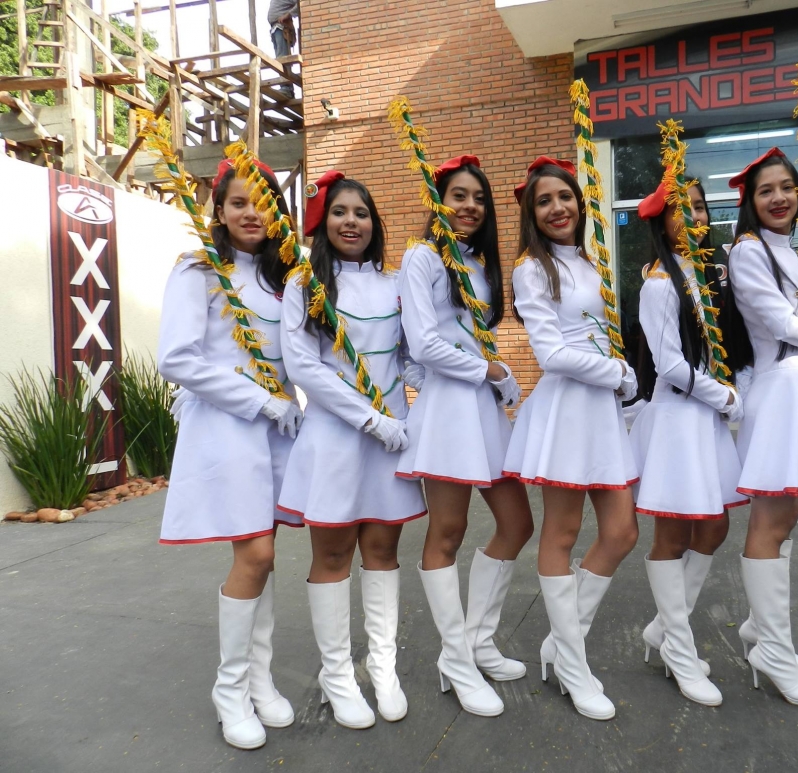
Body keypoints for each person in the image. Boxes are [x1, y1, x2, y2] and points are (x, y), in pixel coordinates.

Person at [158, 158, 302, 750]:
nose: (252, 213)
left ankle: (260, 681)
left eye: (264, 204)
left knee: (263, 558)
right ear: (218, 211)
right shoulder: (199, 269)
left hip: (278, 430)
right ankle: (230, 688)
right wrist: (260, 403)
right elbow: (179, 358)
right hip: (228, 427)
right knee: (257, 554)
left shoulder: (282, 276)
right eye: (240, 203)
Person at [277, 172, 426, 728]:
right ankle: (337, 674)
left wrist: (439, 388)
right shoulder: (305, 286)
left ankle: (382, 667)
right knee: (334, 555)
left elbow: (408, 356)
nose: (351, 222)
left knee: (384, 553)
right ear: (322, 223)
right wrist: (369, 418)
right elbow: (304, 368)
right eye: (340, 212)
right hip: (338, 439)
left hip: (392, 439)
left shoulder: (394, 285)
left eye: (361, 213)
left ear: (374, 222)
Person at [395, 155, 534, 718]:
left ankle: (477, 639)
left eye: (478, 197)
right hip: (450, 409)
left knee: (518, 523)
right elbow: (424, 345)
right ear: (438, 201)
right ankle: (454, 660)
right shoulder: (423, 256)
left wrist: (495, 377)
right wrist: (491, 372)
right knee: (447, 530)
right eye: (458, 195)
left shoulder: (476, 262)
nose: (469, 206)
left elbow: (468, 337)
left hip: (479, 405)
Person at [503, 157, 639, 721]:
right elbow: (551, 353)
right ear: (532, 214)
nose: (558, 207)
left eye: (565, 197)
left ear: (580, 204)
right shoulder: (531, 269)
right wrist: (621, 375)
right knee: (561, 532)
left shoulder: (589, 260)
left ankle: (561, 646)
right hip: (567, 407)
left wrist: (620, 379)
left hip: (601, 409)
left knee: (622, 531)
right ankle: (574, 666)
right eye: (544, 201)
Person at [723, 148, 798, 708]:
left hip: (797, 388)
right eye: (765, 190)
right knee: (772, 517)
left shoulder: (789, 250)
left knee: (789, 513)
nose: (778, 198)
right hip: (776, 389)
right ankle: (773, 651)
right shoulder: (748, 251)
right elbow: (776, 321)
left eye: (787, 188)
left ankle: (760, 629)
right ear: (749, 203)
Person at [629, 179, 746, 707]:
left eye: (700, 207)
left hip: (705, 417)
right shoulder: (658, 283)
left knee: (715, 525)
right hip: (680, 417)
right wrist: (720, 395)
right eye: (684, 210)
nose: (695, 216)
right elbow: (669, 365)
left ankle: (663, 630)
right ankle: (679, 650)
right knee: (673, 536)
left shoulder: (698, 275)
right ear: (661, 222)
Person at [267, 0, 299, 97]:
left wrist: (288, 14)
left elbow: (301, 4)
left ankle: (287, 88)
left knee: (283, 58)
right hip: (276, 28)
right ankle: (286, 87)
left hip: (282, 27)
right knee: (280, 59)